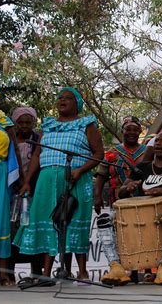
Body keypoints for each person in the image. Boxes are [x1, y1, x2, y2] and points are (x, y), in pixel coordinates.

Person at [14, 87, 104, 284]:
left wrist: (80, 171)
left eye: (68, 98)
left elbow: (99, 154)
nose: (62, 100)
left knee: (73, 222)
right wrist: (28, 181)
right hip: (46, 179)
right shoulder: (48, 125)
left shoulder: (86, 124)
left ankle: (82, 272)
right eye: (60, 97)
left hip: (75, 178)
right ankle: (46, 274)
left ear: (77, 103)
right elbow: (37, 155)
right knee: (47, 222)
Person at [119, 131, 162, 285]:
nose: (158, 144)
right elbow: (121, 192)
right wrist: (128, 187)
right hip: (141, 217)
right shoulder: (142, 167)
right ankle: (127, 268)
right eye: (156, 141)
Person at [94, 116, 146, 285]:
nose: (131, 132)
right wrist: (97, 196)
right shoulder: (112, 153)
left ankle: (136, 270)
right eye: (127, 129)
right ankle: (121, 269)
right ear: (122, 131)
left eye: (135, 129)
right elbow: (102, 175)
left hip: (143, 200)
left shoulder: (147, 151)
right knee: (120, 235)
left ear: (139, 132)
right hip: (118, 200)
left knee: (140, 234)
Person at [8, 107, 43, 283]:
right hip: (12, 191)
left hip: (34, 191)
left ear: (34, 123)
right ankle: (9, 273)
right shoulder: (9, 140)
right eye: (20, 122)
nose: (24, 126)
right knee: (11, 231)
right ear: (14, 123)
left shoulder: (38, 140)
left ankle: (36, 272)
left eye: (28, 122)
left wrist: (28, 182)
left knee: (32, 229)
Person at [0, 85, 22, 286]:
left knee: (1, 220)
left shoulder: (4, 122)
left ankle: (3, 274)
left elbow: (16, 150)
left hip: (0, 174)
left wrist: (21, 179)